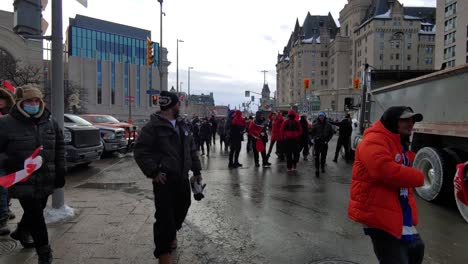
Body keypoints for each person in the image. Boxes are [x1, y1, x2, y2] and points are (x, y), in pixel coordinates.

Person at [348, 106, 425, 264]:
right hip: (378, 212)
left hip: (399, 211)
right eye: (405, 120)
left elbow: (404, 163)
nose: (410, 124)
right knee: (396, 259)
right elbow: (383, 170)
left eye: (412, 120)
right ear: (391, 121)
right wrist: (420, 176)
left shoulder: (399, 143)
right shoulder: (374, 141)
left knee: (416, 250)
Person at [134, 91, 202, 264]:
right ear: (173, 105)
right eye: (178, 103)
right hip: (164, 179)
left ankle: (171, 232)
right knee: (164, 217)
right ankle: (164, 254)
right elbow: (140, 152)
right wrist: (154, 172)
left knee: (183, 208)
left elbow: (191, 150)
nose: (180, 106)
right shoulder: (153, 127)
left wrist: (197, 171)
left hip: (182, 178)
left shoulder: (183, 125)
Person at [0, 84, 66, 264]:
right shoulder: (6, 123)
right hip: (23, 178)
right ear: (21, 102)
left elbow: (59, 147)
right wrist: (10, 160)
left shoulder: (50, 121)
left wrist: (60, 170)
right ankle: (45, 253)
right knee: (36, 214)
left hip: (46, 177)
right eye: (29, 100)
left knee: (37, 210)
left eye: (37, 100)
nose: (34, 104)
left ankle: (21, 231)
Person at [0, 86, 16, 236]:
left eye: (2, 99)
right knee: (2, 188)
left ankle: (5, 210)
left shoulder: (11, 116)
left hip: (8, 157)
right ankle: (2, 218)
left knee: (7, 188)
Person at [311, 111, 333, 177]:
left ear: (324, 117)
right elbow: (312, 133)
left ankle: (322, 167)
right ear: (318, 117)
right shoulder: (315, 124)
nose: (321, 117)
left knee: (323, 156)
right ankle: (317, 169)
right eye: (320, 116)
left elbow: (331, 133)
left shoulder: (328, 125)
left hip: (324, 142)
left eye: (322, 116)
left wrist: (327, 140)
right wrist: (313, 139)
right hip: (317, 142)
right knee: (316, 156)